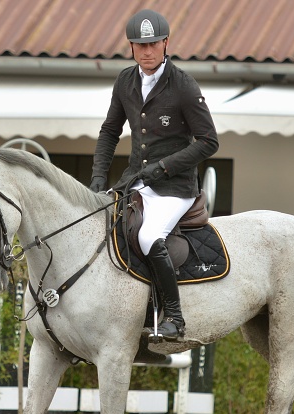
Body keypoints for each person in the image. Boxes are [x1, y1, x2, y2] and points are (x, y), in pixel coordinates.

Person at [90, 9, 219, 342]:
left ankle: (174, 319)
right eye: (139, 45)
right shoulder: (125, 81)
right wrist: (98, 180)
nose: (146, 51)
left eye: (152, 44)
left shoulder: (184, 86)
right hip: (135, 181)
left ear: (165, 43)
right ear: (131, 46)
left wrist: (163, 167)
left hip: (175, 188)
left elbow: (209, 141)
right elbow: (109, 131)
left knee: (148, 238)